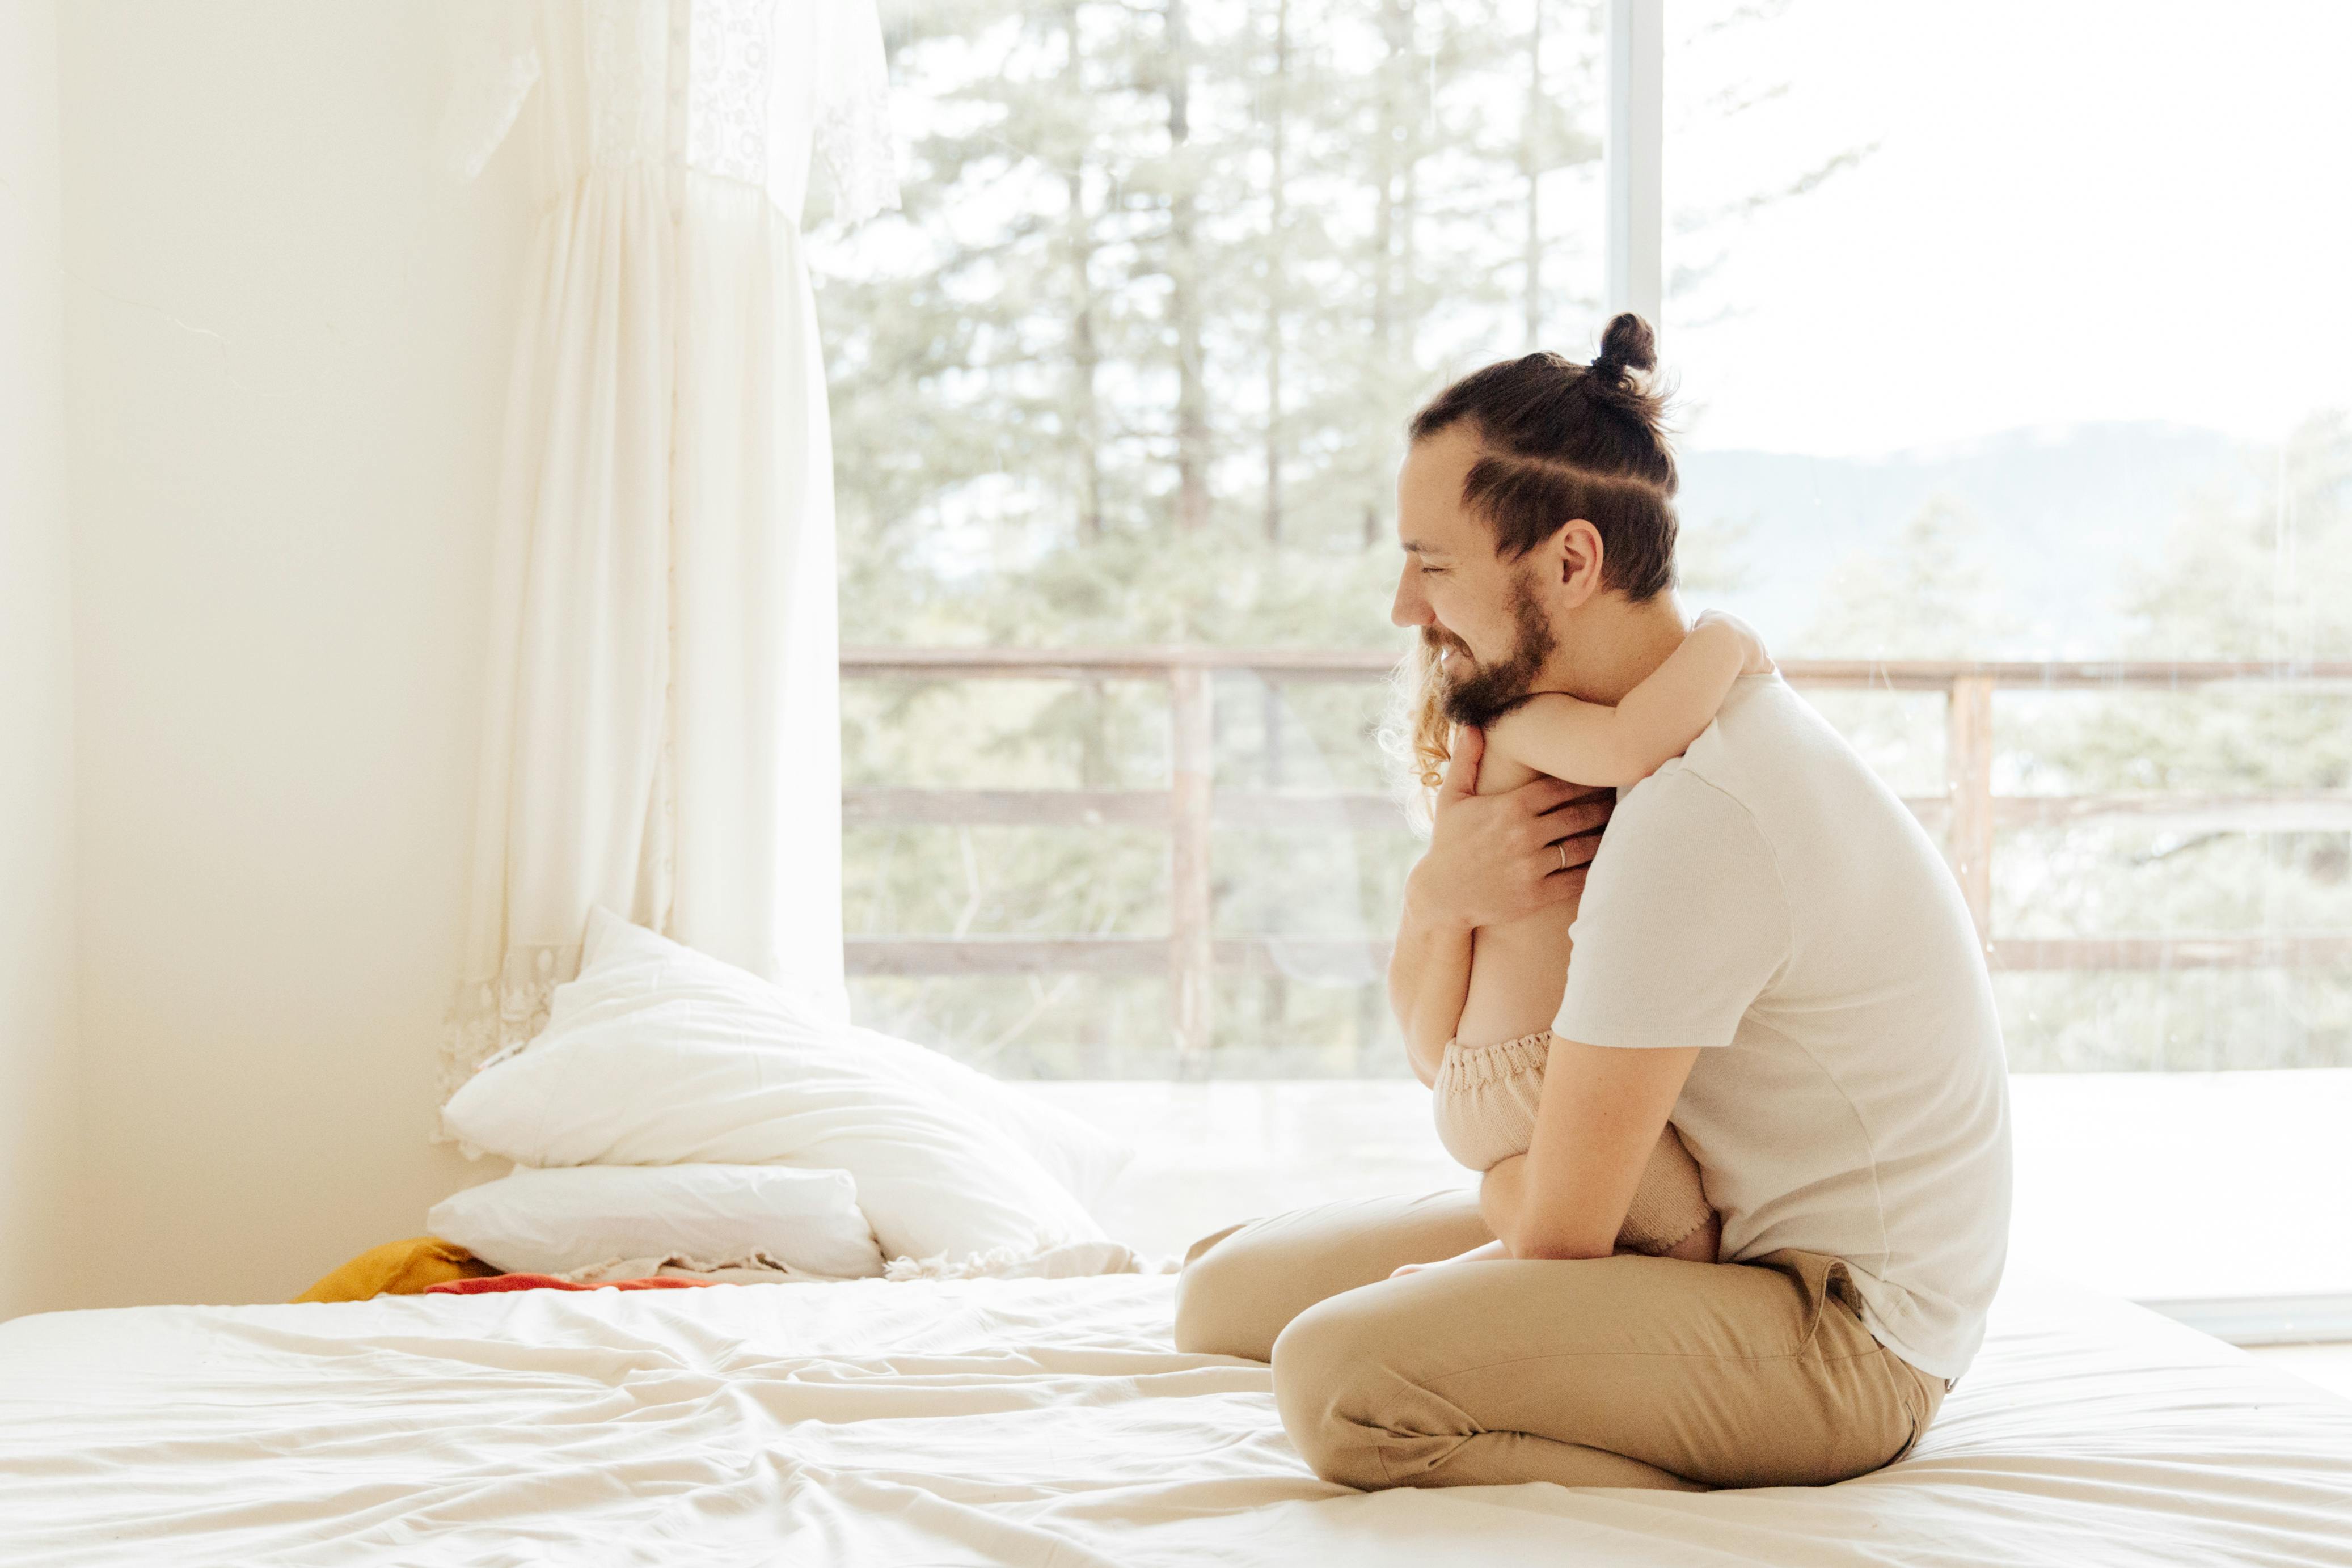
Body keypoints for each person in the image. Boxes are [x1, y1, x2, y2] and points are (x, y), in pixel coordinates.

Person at [1171, 314, 2013, 1493]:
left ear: (1570, 563)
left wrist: (1496, 1238)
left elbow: (1560, 1227)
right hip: (1676, 1215)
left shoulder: (1699, 806)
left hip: (1840, 1328)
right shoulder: (1593, 756)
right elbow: (1448, 1072)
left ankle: (1700, 1512)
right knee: (1220, 1295)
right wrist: (1439, 893)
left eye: (1435, 562)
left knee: (1333, 1376)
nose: (1407, 607)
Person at [1395, 606, 1775, 1279]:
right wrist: (1728, 640)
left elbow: (1431, 1050)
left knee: (1573, 1227)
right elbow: (1630, 742)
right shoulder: (1524, 716)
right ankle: (1494, 1243)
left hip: (1476, 1073)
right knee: (1688, 1247)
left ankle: (1475, 1265)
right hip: (1543, 1076)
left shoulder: (1480, 764)